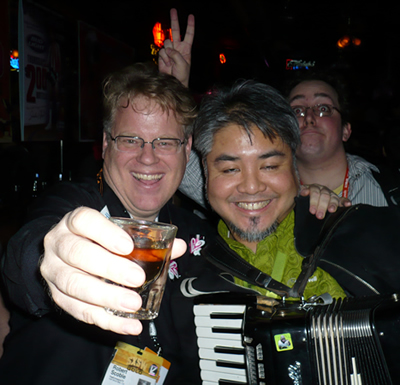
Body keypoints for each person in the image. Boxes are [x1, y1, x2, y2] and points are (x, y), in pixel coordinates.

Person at [0, 10, 350, 385]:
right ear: (105, 144)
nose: (147, 157)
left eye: (165, 142)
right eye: (130, 139)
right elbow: (29, 253)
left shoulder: (199, 238)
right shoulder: (72, 206)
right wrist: (49, 262)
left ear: (186, 150)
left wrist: (305, 198)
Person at [159, 79, 400, 383]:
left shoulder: (358, 233)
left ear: (295, 169)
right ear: (206, 175)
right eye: (230, 169)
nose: (251, 186)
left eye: (270, 166)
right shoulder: (190, 270)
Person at [285, 71, 397, 207]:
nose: (309, 117)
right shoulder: (267, 195)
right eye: (297, 111)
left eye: (323, 108)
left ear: (345, 130)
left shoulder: (391, 187)